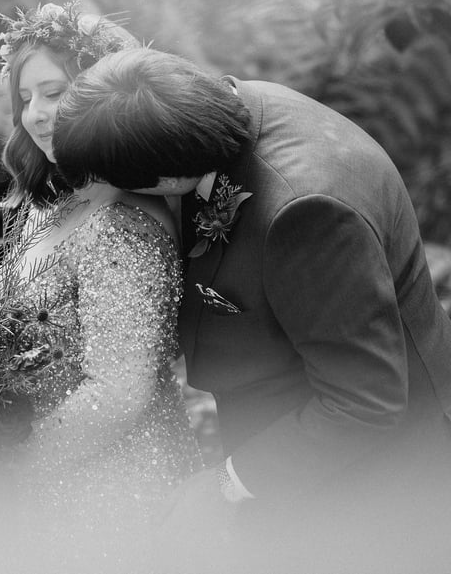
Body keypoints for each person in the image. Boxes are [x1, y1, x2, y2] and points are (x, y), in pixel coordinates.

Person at [52, 46, 451, 573]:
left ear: (166, 179)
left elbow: (363, 402)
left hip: (374, 480)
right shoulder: (219, 110)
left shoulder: (306, 212)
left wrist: (224, 485)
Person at [0, 4, 201, 572]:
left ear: (100, 92)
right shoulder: (53, 203)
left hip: (116, 491)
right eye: (25, 98)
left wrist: (15, 469)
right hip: (57, 482)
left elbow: (118, 391)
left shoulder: (122, 225)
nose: (36, 114)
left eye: (54, 92)